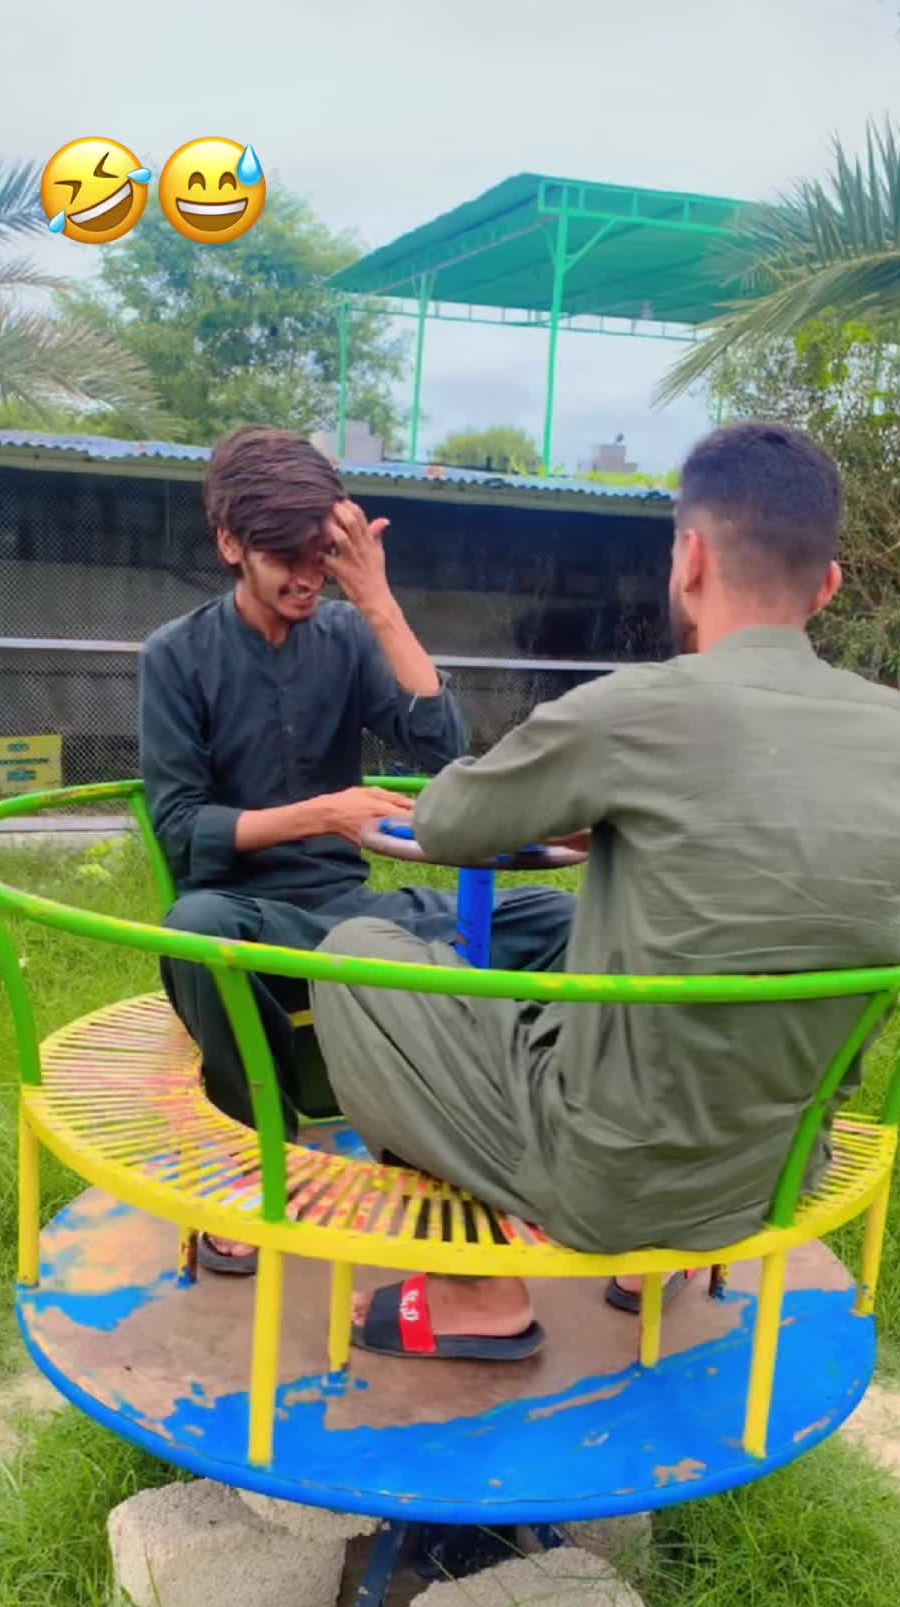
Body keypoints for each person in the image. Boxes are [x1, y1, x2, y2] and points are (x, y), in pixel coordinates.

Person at [309, 421, 900, 1362]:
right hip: (781, 1165)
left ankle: (476, 1294)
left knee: (356, 957)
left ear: (690, 560)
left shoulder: (635, 710)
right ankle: (656, 1272)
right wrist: (614, 828)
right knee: (618, 961)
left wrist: (584, 812)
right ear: (828, 587)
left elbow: (448, 822)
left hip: (612, 1178)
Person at [140, 426, 574, 1273]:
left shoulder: (345, 635)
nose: (308, 578)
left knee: (558, 922)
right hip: (253, 916)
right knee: (192, 930)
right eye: (285, 559)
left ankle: (547, 1133)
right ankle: (257, 1157)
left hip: (357, 920)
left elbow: (446, 751)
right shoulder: (176, 657)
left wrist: (379, 603)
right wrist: (322, 814)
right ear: (230, 545)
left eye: (322, 557)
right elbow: (185, 831)